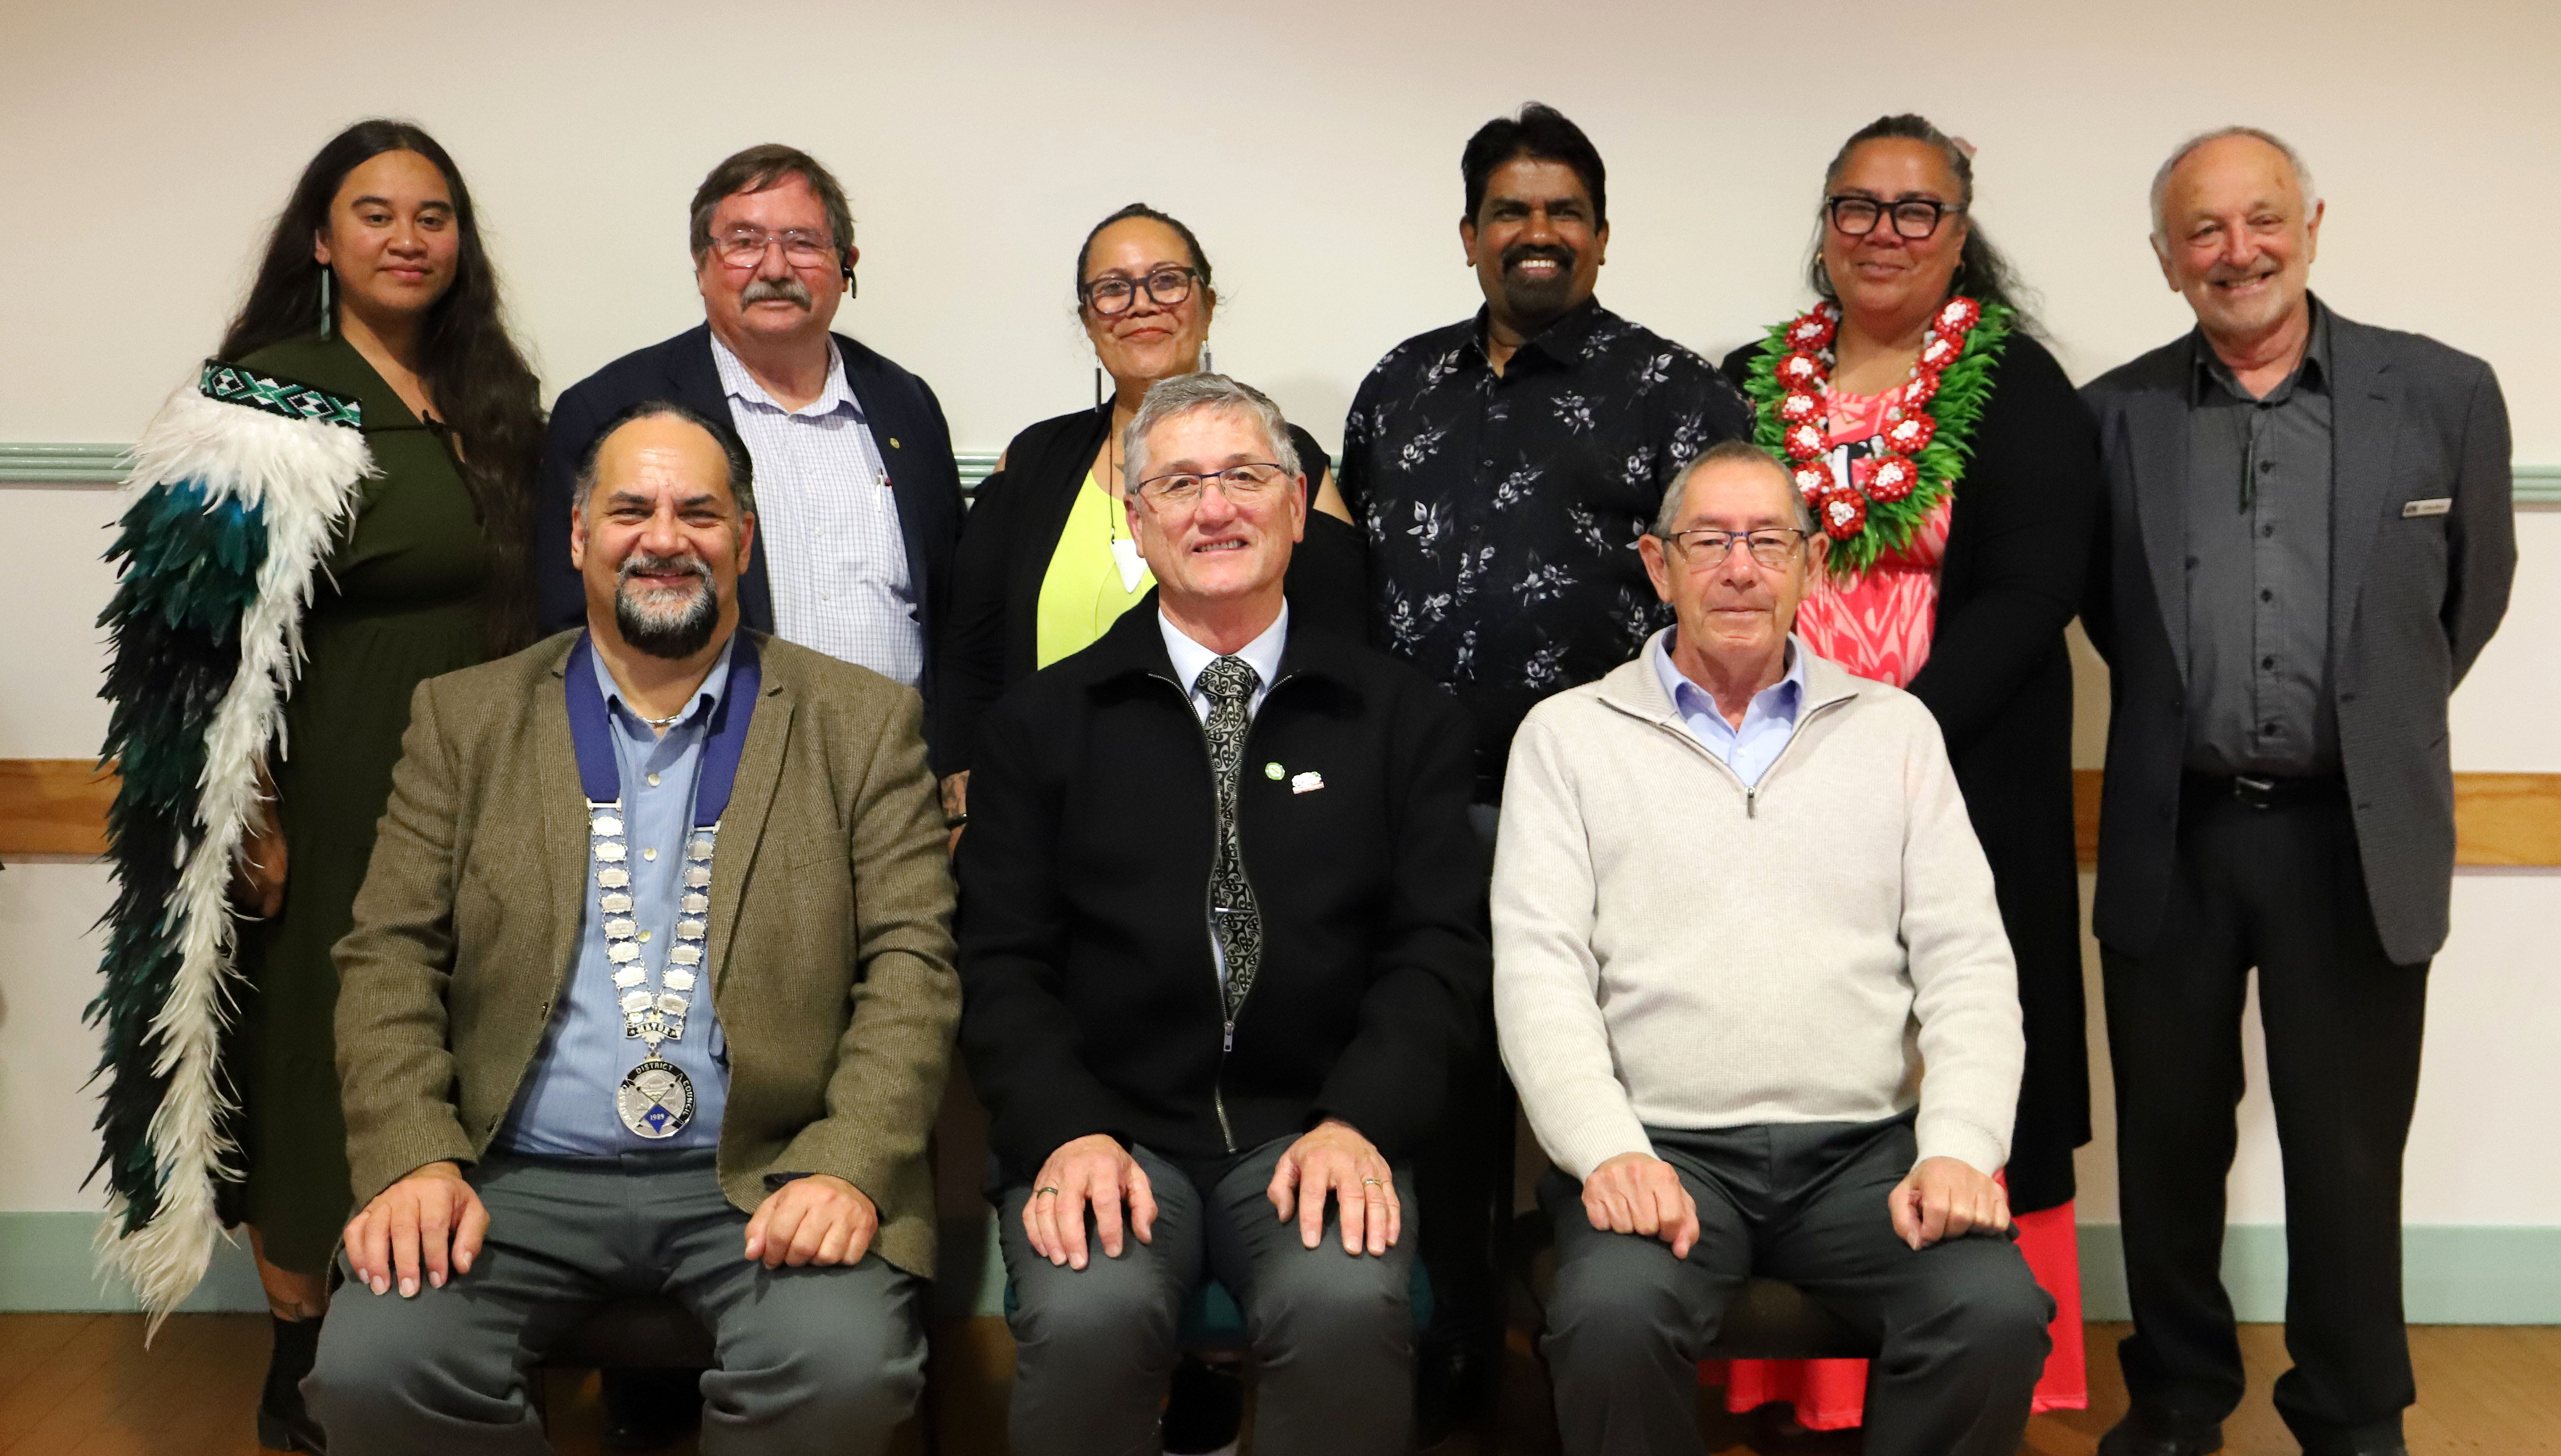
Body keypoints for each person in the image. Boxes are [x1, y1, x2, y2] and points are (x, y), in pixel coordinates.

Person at [307, 401, 959, 1455]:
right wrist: (414, 1157)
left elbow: (913, 966)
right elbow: (388, 954)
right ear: (579, 538)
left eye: (699, 511)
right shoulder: (464, 719)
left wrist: (846, 1160)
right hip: (513, 1170)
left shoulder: (862, 722)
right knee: (379, 1370)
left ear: (742, 539)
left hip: (768, 1169)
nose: (664, 536)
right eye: (631, 510)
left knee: (841, 1368)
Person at [90, 118, 544, 1453]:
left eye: (434, 216)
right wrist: (256, 812)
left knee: (458, 1029)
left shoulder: (489, 392)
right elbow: (191, 640)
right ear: (321, 237)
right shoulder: (264, 395)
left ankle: (435, 1307)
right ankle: (302, 1345)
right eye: (377, 213)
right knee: (313, 1044)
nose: (410, 239)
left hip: (480, 787)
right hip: (331, 788)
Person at [2081, 127, 2515, 1456]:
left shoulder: (2440, 394)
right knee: (2162, 1142)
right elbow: (2109, 613)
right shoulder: (2111, 415)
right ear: (2163, 261)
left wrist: (2366, 722)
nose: (2235, 251)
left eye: (2258, 218)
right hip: (2178, 825)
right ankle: (2174, 1396)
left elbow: (2466, 595)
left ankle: (2348, 1406)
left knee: (2343, 1147)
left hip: (2352, 832)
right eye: (2200, 232)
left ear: (2310, 223)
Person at [957, 373, 1488, 1456]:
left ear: (1298, 508)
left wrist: (1361, 1121)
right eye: (1182, 483)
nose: (1216, 509)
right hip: (1108, 1126)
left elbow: (1436, 951)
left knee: (1344, 1303)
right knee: (1090, 1308)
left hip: (1318, 1127)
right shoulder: (1042, 723)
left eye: (1246, 477)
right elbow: (1001, 961)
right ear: (1138, 519)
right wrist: (1064, 1129)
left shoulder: (1405, 722)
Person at [1495, 440, 2052, 1456]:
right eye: (1709, 541)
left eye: (1767, 541)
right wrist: (1606, 1147)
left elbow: (1968, 964)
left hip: (1863, 1154)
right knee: (1612, 1316)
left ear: (1810, 565)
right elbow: (1540, 976)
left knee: (1994, 1310)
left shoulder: (1897, 733)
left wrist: (1962, 1148)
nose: (1740, 568)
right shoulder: (1567, 737)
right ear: (1659, 566)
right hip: (1659, 1147)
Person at [1333, 101, 1753, 1425]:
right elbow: (1346, 590)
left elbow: (1730, 600)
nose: (1535, 232)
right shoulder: (1396, 385)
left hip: (1617, 810)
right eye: (1508, 210)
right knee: (1443, 1083)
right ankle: (1455, 1330)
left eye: (1561, 211)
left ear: (1601, 235)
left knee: (1601, 1077)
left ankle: (1599, 1334)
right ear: (1468, 236)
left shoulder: (1680, 395)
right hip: (1422, 808)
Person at [1715, 112, 2101, 1427]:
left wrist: (1890, 739)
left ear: (1957, 227)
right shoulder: (1751, 379)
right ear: (1822, 224)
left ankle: (1972, 1349)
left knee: (1962, 1040)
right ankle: (1793, 1374)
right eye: (1856, 207)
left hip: (1960, 784)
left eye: (1913, 210)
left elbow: (2031, 586)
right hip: (1764, 788)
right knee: (1790, 1034)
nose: (1882, 232)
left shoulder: (2018, 387)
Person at [932, 202, 1368, 816]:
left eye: (1166, 281)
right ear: (1087, 320)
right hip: (1047, 822)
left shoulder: (1288, 462)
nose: (1141, 304)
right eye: (1112, 290)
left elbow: (1342, 658)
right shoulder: (1031, 462)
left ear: (1207, 306)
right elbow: (971, 658)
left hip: (1248, 821)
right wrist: (962, 811)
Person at [535, 144, 963, 688]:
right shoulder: (608, 410)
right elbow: (570, 621)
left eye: (803, 242)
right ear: (701, 264)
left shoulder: (908, 403)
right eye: (744, 243)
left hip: (900, 759)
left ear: (846, 264)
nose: (776, 267)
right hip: (706, 758)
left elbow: (953, 606)